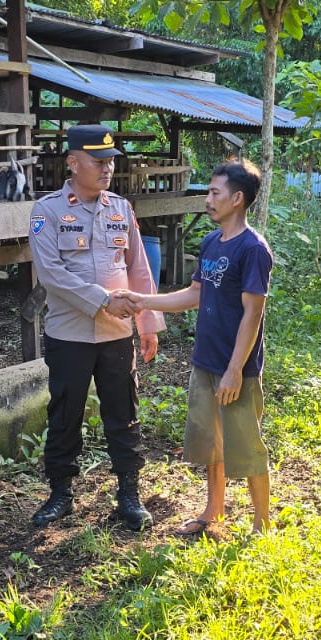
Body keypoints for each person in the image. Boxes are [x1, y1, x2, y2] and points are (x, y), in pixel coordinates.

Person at [122, 159, 273, 535]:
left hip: (235, 367)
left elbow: (253, 313)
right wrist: (142, 300)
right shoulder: (209, 243)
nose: (207, 199)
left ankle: (262, 524)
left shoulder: (253, 249)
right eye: (208, 192)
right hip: (205, 362)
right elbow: (193, 295)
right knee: (211, 445)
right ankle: (213, 512)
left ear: (237, 199)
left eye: (214, 193)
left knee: (246, 446)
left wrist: (236, 369)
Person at [27, 125, 165, 530]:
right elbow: (51, 274)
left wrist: (149, 324)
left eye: (110, 161)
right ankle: (60, 493)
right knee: (65, 413)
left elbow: (138, 268)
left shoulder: (120, 208)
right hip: (69, 334)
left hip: (117, 336)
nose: (107, 168)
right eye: (98, 161)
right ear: (72, 162)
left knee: (123, 411)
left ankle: (129, 492)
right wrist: (104, 300)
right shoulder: (47, 211)